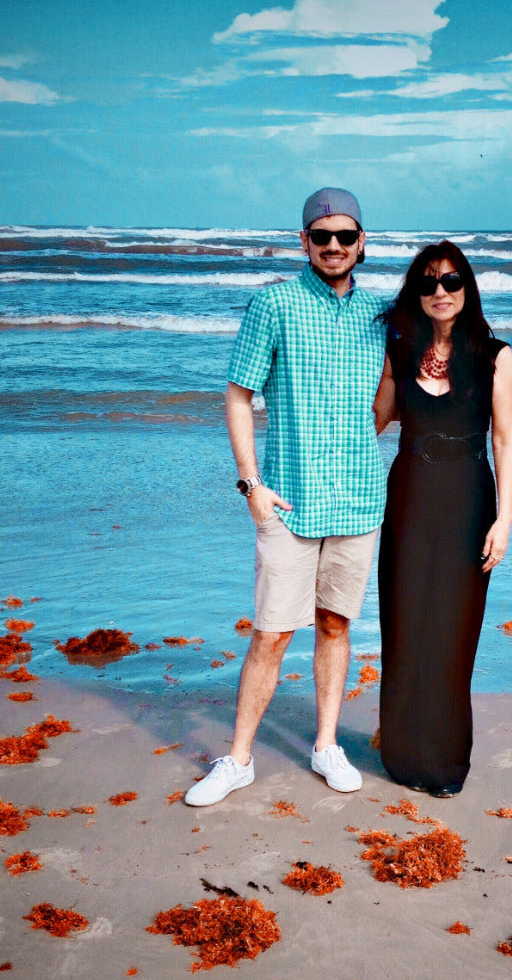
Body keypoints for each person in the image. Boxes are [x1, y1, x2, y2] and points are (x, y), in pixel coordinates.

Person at [185, 188, 387, 807]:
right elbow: (239, 395)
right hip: (289, 502)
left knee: (334, 625)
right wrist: (252, 485)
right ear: (304, 241)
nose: (333, 246)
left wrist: (356, 440)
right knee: (272, 633)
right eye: (321, 236)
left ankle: (326, 745)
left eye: (345, 236)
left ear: (361, 244)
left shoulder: (380, 313)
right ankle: (239, 759)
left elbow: (390, 398)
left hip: (358, 500)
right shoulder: (272, 304)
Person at [373, 240, 512, 798]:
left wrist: (505, 518)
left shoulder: (495, 355)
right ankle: (402, 754)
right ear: (417, 290)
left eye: (451, 281)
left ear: (467, 287)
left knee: (454, 632)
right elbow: (376, 422)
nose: (440, 292)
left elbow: (505, 440)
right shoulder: (401, 350)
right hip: (408, 498)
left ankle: (445, 762)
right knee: (405, 625)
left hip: (468, 503)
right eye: (429, 282)